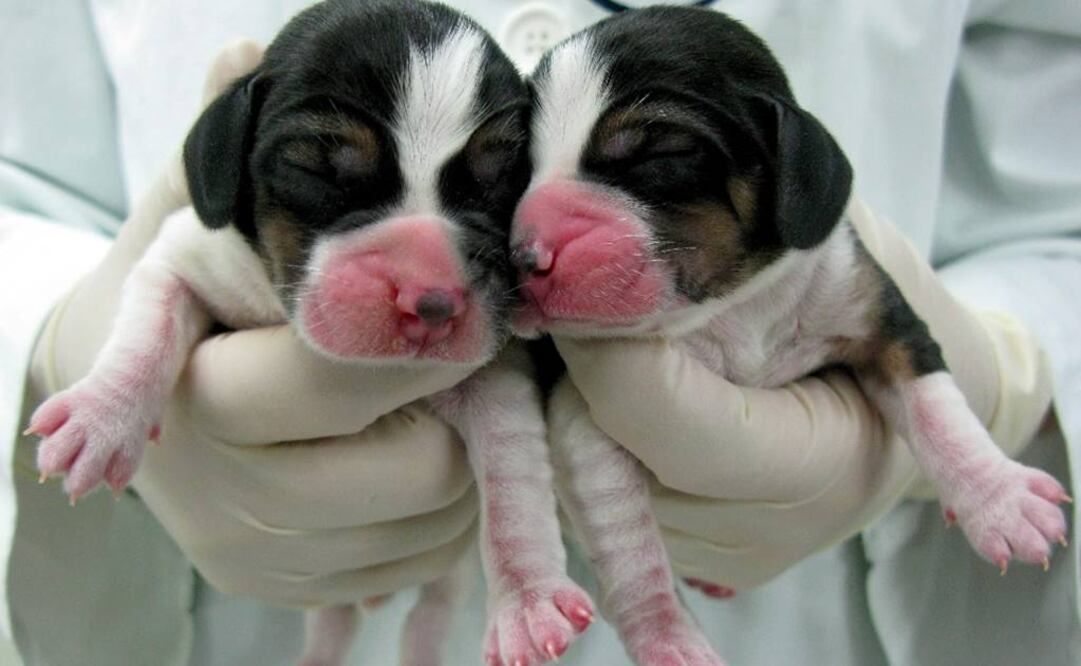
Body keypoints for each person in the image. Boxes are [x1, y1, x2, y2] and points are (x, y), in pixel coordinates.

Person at [1, 0, 1077, 664]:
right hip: (233, 612)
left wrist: (1002, 379)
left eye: (492, 188)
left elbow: (1058, 197)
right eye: (315, 174)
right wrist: (66, 344)